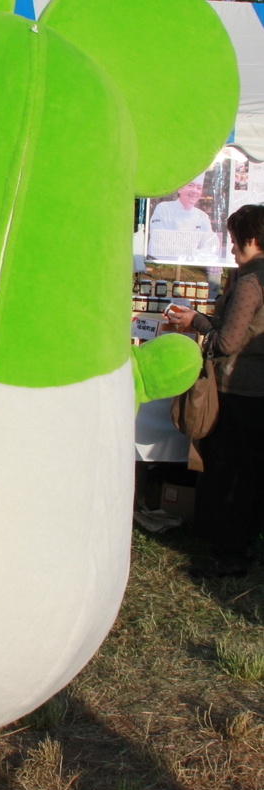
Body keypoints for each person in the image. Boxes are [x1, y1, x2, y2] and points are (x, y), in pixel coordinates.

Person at [168, 203, 264, 576]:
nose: (233, 247)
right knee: (250, 473)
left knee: (231, 473)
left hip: (239, 390)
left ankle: (230, 554)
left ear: (251, 239)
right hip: (256, 391)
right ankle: (243, 545)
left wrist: (197, 322)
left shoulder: (251, 282)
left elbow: (227, 342)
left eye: (236, 240)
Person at [148, 172, 217, 259]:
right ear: (180, 189)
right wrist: (189, 253)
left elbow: (210, 243)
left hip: (190, 263)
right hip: (163, 262)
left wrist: (198, 255)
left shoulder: (202, 216)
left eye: (199, 188)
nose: (195, 191)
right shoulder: (164, 208)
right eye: (191, 185)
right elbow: (158, 239)